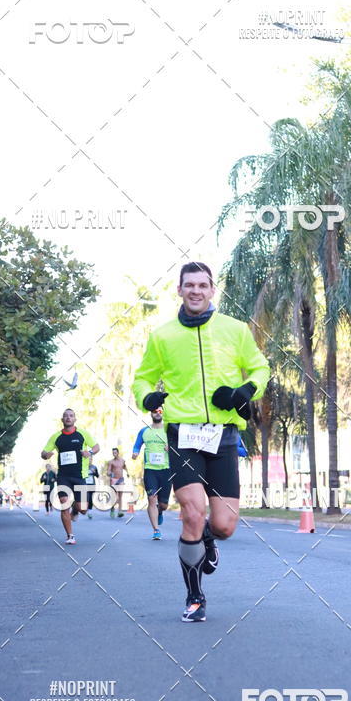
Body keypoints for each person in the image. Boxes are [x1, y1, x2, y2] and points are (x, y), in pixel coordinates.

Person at [133, 261, 269, 622]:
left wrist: (244, 391)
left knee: (224, 525)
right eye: (189, 285)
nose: (196, 290)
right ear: (179, 290)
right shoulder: (163, 336)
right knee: (192, 512)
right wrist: (147, 397)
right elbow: (142, 378)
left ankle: (208, 536)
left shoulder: (235, 330)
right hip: (183, 435)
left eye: (202, 285)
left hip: (223, 435)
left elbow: (260, 368)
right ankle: (194, 597)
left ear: (212, 290)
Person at [41, 408, 100, 544]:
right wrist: (46, 455)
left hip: (80, 476)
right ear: (62, 419)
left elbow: (96, 446)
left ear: (75, 419)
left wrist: (90, 453)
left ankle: (75, 510)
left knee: (83, 509)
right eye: (66, 416)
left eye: (71, 416)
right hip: (63, 476)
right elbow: (43, 452)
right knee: (64, 503)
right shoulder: (56, 437)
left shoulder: (82, 434)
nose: (68, 418)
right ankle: (70, 536)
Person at [132, 407, 171, 540]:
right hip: (150, 470)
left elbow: (179, 447)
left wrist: (171, 448)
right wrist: (135, 452)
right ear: (151, 413)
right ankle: (156, 530)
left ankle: (160, 511)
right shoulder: (144, 431)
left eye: (160, 411)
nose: (157, 413)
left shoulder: (169, 430)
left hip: (166, 470)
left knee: (164, 505)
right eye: (155, 411)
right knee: (151, 498)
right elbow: (137, 445)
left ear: (163, 413)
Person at [107, 447, 127, 518]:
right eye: (113, 453)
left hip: (120, 479)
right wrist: (109, 473)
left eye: (115, 452)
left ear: (118, 453)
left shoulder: (123, 461)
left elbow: (125, 467)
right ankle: (112, 509)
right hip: (114, 480)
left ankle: (120, 511)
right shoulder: (111, 462)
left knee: (120, 496)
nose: (114, 454)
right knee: (114, 496)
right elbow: (108, 470)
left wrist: (127, 473)